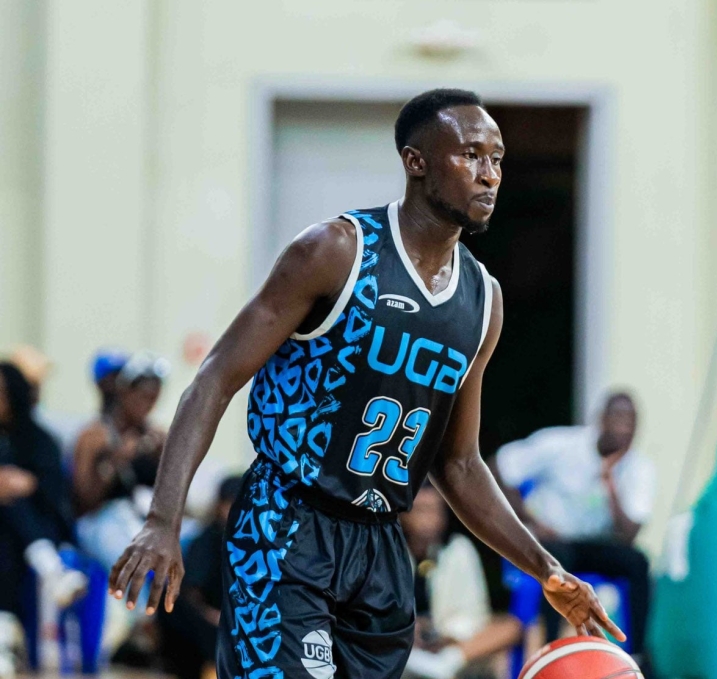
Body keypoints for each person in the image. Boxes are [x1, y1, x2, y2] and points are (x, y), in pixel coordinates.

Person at [109, 88, 622, 679]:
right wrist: (161, 521)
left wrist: (546, 569)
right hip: (287, 524)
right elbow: (213, 379)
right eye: (471, 155)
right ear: (417, 161)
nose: (490, 175)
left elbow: (457, 465)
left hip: (381, 549)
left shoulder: (483, 302)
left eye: (497, 159)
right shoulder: (334, 252)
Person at [491, 392, 654, 660]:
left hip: (595, 544)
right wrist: (530, 522)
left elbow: (629, 535)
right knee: (557, 562)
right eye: (618, 419)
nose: (624, 429)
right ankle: (550, 648)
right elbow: (498, 467)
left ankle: (637, 656)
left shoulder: (639, 468)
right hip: (551, 540)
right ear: (601, 420)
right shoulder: (562, 444)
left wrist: (609, 481)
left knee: (638, 563)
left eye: (631, 424)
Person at [0, 362, 87, 675]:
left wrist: (29, 483)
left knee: (12, 513)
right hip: (26, 539)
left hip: (37, 529)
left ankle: (5, 640)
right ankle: (52, 570)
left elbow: (57, 495)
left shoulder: (40, 438)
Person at [401, 484, 521, 679]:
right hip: (406, 644)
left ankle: (446, 663)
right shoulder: (389, 553)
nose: (429, 520)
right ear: (403, 515)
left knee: (510, 627)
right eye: (422, 510)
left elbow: (474, 613)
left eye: (435, 510)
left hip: (450, 643)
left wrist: (446, 636)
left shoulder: (458, 549)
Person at [74, 351, 169, 571]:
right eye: (142, 396)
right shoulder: (94, 436)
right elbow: (83, 502)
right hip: (100, 522)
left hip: (141, 520)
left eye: (154, 397)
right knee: (131, 553)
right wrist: (117, 460)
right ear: (124, 393)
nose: (148, 405)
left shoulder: (154, 436)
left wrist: (165, 459)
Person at [158, 475, 243, 679]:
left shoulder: (251, 543)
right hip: (211, 623)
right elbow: (191, 591)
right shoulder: (209, 538)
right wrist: (218, 617)